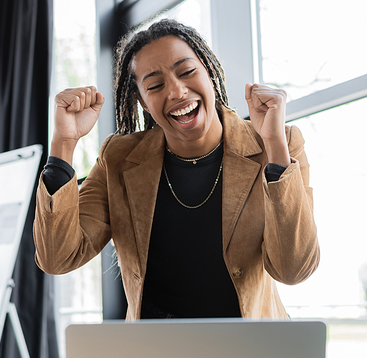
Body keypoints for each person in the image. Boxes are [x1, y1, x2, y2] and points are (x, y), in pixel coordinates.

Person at [34, 18, 319, 320]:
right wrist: (63, 143)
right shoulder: (118, 158)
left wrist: (274, 145)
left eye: (187, 72)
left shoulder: (279, 145)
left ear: (209, 72)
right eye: (155, 85)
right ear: (143, 102)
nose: (177, 91)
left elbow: (293, 269)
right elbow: (57, 258)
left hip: (250, 353)